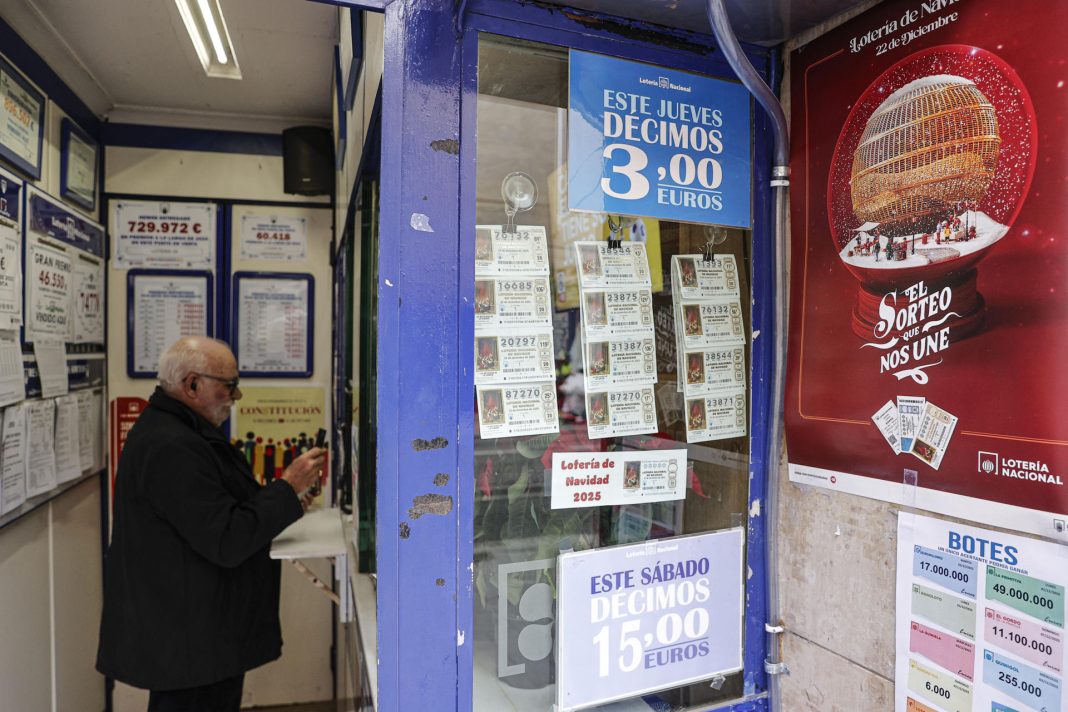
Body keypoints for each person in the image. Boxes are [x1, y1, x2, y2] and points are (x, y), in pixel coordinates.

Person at [96, 336, 325, 712]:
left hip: (197, 637)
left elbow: (223, 510)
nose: (237, 396)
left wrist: (290, 500)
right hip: (188, 644)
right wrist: (286, 486)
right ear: (192, 385)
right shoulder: (172, 445)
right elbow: (227, 538)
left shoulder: (183, 432)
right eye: (230, 385)